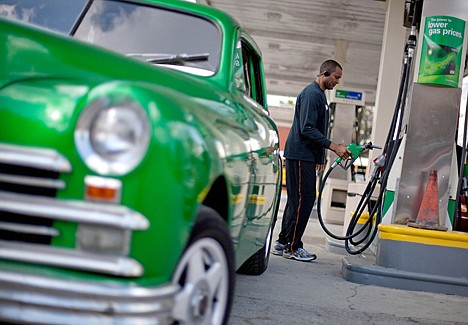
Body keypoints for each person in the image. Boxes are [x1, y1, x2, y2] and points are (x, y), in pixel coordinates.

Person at [272, 59, 351, 262]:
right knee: (303, 201)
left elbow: (318, 128)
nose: (337, 82)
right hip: (299, 154)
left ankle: (283, 242)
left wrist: (320, 156)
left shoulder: (320, 96)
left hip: (305, 155)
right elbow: (306, 129)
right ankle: (293, 246)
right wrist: (333, 147)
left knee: (297, 201)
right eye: (336, 77)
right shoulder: (312, 94)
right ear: (325, 72)